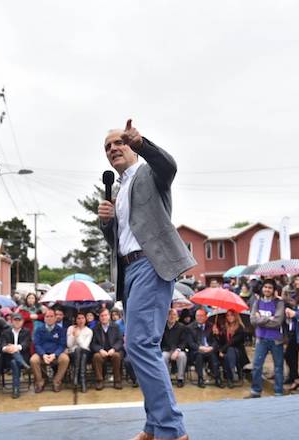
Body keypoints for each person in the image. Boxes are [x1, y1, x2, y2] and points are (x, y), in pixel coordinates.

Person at [98, 119, 195, 440]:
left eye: (118, 143)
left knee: (140, 344)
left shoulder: (148, 173)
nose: (113, 149)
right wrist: (107, 224)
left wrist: (142, 143)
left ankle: (172, 430)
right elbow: (121, 240)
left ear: (130, 146)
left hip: (151, 264)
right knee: (137, 346)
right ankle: (154, 426)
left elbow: (168, 166)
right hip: (129, 270)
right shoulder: (119, 189)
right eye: (107, 147)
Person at [247, 279, 285, 398]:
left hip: (276, 339)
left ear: (274, 290)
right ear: (262, 288)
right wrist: (269, 319)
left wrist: (261, 319)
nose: (267, 289)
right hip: (261, 338)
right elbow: (252, 320)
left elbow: (277, 322)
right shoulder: (257, 303)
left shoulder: (279, 303)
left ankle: (278, 391)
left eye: (270, 287)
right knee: (257, 365)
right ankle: (256, 390)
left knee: (278, 366)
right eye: (265, 287)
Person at [30, 308, 69, 393]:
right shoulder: (39, 330)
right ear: (44, 318)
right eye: (47, 316)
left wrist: (54, 355)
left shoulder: (60, 330)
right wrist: (43, 354)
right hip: (42, 354)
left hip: (55, 355)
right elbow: (37, 344)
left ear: (55, 318)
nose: (49, 318)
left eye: (51, 316)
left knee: (65, 358)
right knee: (33, 360)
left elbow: (62, 345)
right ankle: (40, 382)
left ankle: (57, 381)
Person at [213, 310, 249, 388]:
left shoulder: (240, 328)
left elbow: (233, 342)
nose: (230, 317)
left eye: (232, 315)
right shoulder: (225, 326)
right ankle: (226, 377)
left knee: (230, 350)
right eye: (228, 315)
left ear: (236, 316)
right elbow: (221, 341)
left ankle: (230, 377)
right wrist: (217, 334)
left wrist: (222, 350)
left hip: (238, 351)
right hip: (226, 351)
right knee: (226, 354)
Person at [187, 309, 222, 388]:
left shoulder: (211, 326)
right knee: (199, 355)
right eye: (197, 316)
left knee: (213, 356)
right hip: (197, 350)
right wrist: (200, 347)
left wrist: (216, 336)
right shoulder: (190, 327)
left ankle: (217, 378)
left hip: (209, 349)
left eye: (201, 316)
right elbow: (190, 343)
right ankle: (200, 378)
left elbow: (216, 341)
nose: (199, 318)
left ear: (206, 317)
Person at [91, 308, 124, 390]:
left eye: (106, 315)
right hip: (102, 352)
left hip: (113, 351)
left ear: (109, 316)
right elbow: (93, 344)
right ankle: (99, 380)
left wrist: (114, 349)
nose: (104, 317)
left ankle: (117, 381)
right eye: (102, 316)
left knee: (117, 356)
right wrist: (100, 350)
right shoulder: (96, 328)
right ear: (99, 317)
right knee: (96, 357)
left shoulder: (116, 326)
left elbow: (120, 340)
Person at [1, 313, 31, 399]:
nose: (17, 322)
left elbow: (26, 344)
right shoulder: (5, 332)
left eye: (19, 320)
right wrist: (7, 348)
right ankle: (25, 366)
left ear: (22, 321)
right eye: (15, 320)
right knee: (14, 360)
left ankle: (16, 389)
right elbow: (2, 346)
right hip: (8, 357)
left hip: (23, 356)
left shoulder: (27, 331)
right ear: (11, 321)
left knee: (15, 362)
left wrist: (15, 347)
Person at [161, 308, 189, 387]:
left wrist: (177, 350)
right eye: (169, 314)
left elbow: (184, 341)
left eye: (174, 315)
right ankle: (166, 379)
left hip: (178, 350)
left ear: (177, 317)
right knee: (163, 356)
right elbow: (160, 342)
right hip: (166, 350)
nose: (171, 316)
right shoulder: (162, 327)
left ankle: (180, 378)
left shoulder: (182, 327)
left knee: (182, 356)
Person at [66, 311, 93, 393]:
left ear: (85, 319)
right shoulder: (70, 328)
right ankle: (82, 380)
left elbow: (85, 346)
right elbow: (69, 345)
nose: (81, 320)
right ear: (76, 320)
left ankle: (76, 378)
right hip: (73, 353)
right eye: (78, 318)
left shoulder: (89, 331)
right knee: (78, 350)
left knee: (81, 351)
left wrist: (78, 336)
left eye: (82, 318)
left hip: (85, 352)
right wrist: (72, 335)